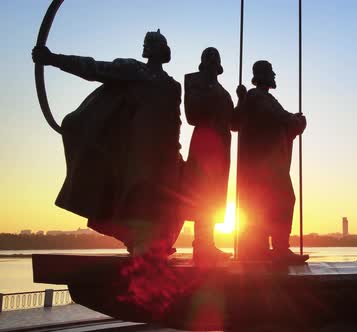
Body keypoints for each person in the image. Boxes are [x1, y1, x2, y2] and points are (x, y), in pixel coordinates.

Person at [31, 30, 184, 257]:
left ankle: (159, 242)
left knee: (179, 197)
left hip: (167, 153)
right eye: (148, 43)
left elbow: (175, 120)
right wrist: (53, 59)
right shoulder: (132, 70)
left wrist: (175, 149)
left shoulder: (172, 85)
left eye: (155, 43)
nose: (151, 47)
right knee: (135, 200)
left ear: (163, 50)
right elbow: (93, 68)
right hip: (137, 152)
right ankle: (137, 241)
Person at [232, 60, 308, 263]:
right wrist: (294, 120)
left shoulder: (268, 98)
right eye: (271, 73)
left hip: (271, 163)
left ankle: (273, 247)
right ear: (262, 75)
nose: (274, 76)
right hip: (264, 165)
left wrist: (294, 121)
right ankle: (277, 248)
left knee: (275, 203)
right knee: (281, 200)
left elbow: (281, 119)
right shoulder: (256, 97)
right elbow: (274, 118)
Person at [183, 47, 233, 262]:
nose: (213, 61)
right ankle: (201, 245)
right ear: (203, 62)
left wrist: (240, 101)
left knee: (214, 196)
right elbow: (191, 114)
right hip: (204, 145)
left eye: (216, 58)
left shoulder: (223, 91)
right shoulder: (195, 82)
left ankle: (208, 243)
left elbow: (234, 123)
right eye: (209, 58)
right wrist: (211, 93)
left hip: (221, 148)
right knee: (202, 194)